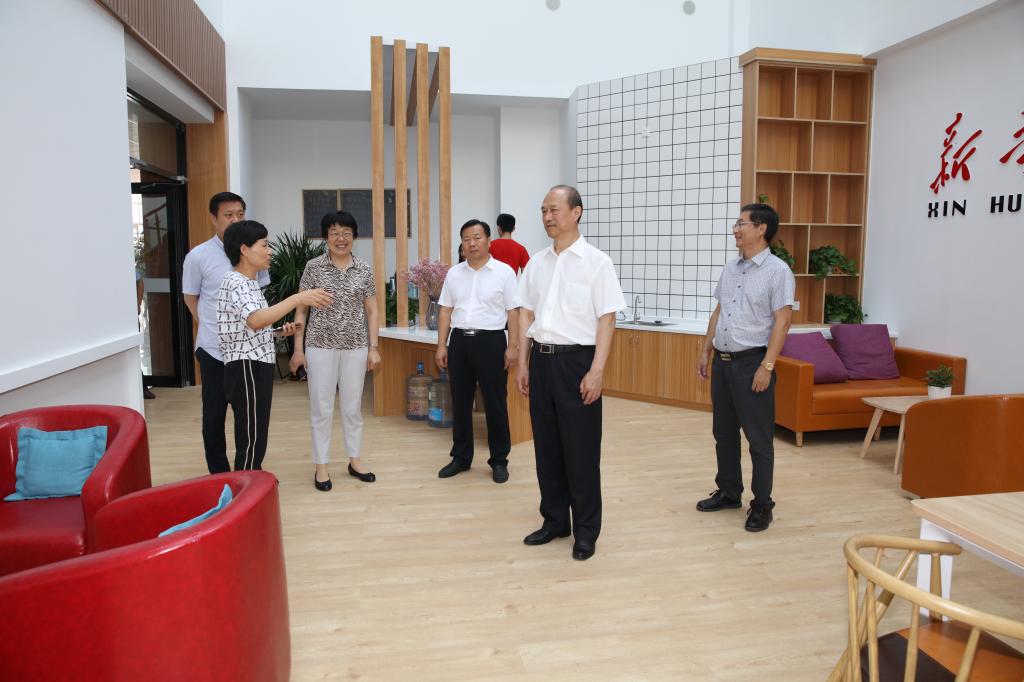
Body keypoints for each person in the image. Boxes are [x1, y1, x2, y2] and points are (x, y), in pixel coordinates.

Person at [515, 185, 625, 561]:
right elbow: (525, 313)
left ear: (576, 212)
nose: (547, 217)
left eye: (554, 209)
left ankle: (587, 531)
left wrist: (597, 371)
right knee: (547, 449)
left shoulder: (597, 262)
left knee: (581, 451)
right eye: (543, 210)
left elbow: (607, 319)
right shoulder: (537, 262)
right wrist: (523, 362)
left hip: (578, 363)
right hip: (542, 362)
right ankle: (555, 520)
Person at [695, 203, 794, 532]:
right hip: (723, 364)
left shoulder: (778, 271)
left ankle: (762, 504)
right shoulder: (731, 267)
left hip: (753, 363)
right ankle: (729, 491)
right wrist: (705, 348)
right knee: (723, 433)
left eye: (742, 224)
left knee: (759, 439)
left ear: (761, 229)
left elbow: (783, 322)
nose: (735, 229)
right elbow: (719, 311)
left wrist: (767, 366)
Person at [217, 220, 332, 471]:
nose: (269, 251)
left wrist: (279, 331)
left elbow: (252, 326)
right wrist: (298, 298)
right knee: (251, 433)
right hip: (246, 366)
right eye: (264, 245)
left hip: (256, 363)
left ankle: (252, 479)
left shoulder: (250, 283)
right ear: (244, 250)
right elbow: (256, 320)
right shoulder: (235, 281)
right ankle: (247, 485)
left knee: (257, 431)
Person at [289, 211, 381, 491]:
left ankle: (354, 460)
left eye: (346, 233)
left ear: (354, 236)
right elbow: (301, 309)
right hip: (320, 347)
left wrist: (373, 347)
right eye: (334, 233)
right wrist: (298, 349)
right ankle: (321, 466)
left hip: (356, 347)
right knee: (321, 407)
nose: (341, 238)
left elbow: (372, 309)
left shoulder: (363, 268)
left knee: (352, 407)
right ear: (325, 237)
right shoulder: (314, 267)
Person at [183, 192, 269, 474]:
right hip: (213, 350)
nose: (235, 220)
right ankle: (219, 475)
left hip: (246, 352)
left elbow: (258, 300)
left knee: (248, 416)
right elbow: (191, 298)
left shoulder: (254, 253)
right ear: (213, 218)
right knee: (214, 415)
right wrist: (211, 325)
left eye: (240, 214)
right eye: (228, 215)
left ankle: (248, 472)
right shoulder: (198, 256)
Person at [435, 219, 519, 484]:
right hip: (459, 342)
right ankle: (461, 457)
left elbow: (513, 312)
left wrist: (513, 346)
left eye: (477, 237)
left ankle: (499, 460)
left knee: (495, 403)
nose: (471, 243)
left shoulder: (504, 272)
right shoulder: (454, 273)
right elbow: (445, 310)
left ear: (488, 241)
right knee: (460, 403)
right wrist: (442, 345)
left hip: (491, 342)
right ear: (462, 244)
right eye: (466, 239)